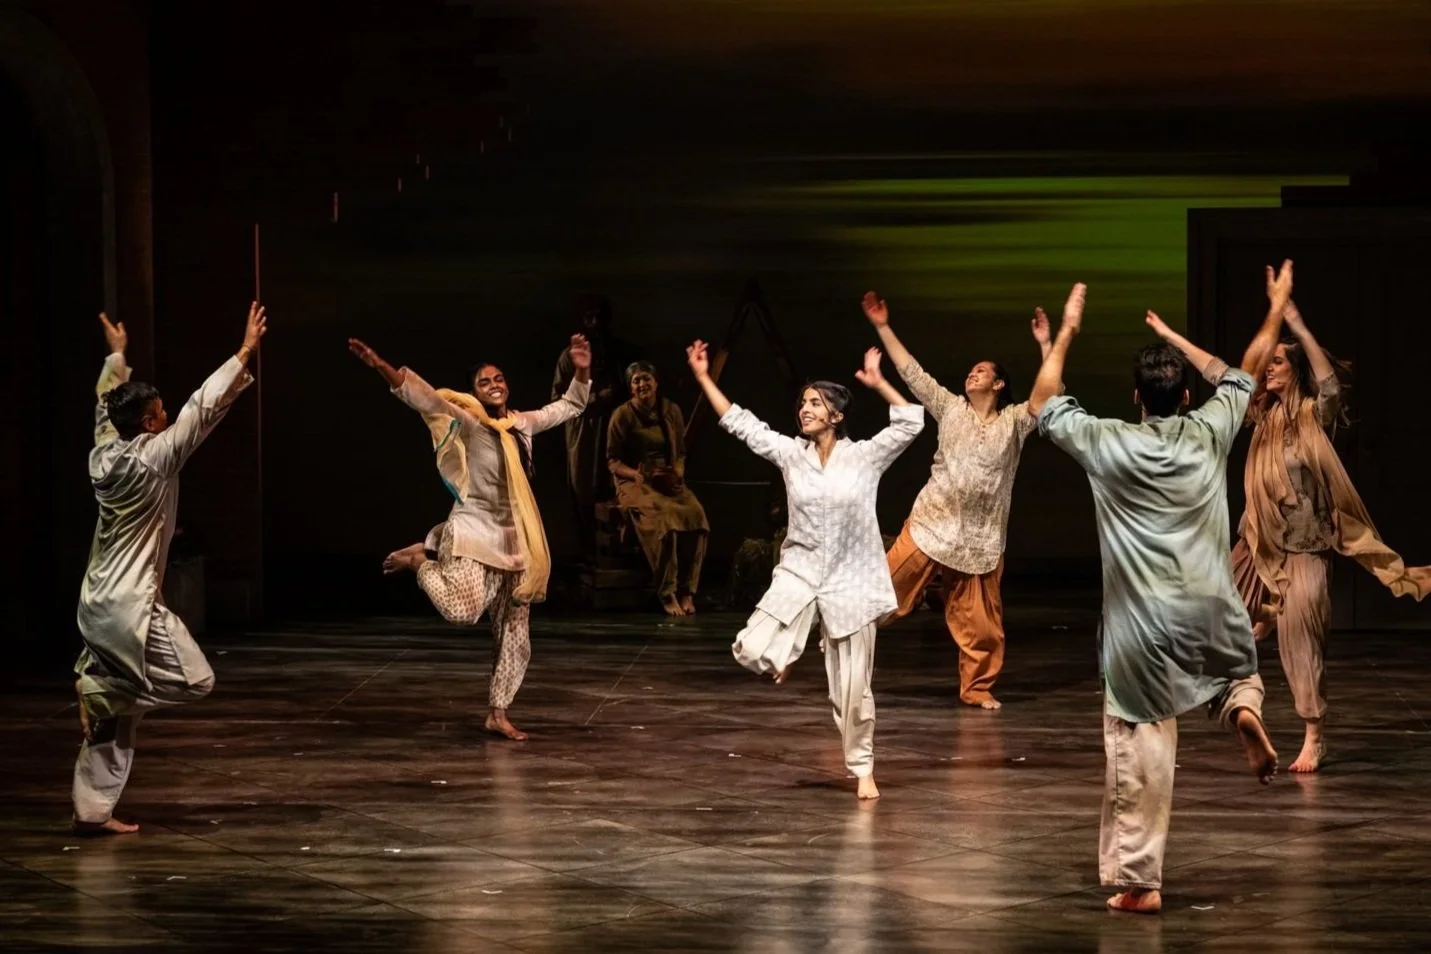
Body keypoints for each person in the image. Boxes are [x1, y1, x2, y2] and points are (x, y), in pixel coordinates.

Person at [1029, 274, 1285, 914]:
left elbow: (1042, 403)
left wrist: (1061, 334)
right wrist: (1276, 308)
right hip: (1210, 606)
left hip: (1140, 626)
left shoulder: (1108, 442)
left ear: (1136, 397)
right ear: (1187, 395)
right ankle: (1239, 705)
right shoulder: (1210, 430)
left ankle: (1141, 883)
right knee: (1234, 663)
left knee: (1138, 739)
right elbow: (1247, 369)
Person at [689, 340, 924, 800]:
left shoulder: (865, 457)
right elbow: (741, 424)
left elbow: (910, 421)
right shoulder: (790, 454)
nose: (805, 410)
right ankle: (789, 651)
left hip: (851, 579)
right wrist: (703, 378)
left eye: (815, 403)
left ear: (837, 415)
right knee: (751, 648)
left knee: (852, 692)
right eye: (802, 403)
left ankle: (863, 769)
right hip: (801, 570)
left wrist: (879, 383)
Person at [73, 304, 267, 835]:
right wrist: (245, 351)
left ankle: (92, 812)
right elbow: (203, 409)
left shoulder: (103, 451)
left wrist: (117, 357)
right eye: (162, 411)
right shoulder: (154, 456)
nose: (168, 415)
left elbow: (102, 404)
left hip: (94, 603)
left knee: (119, 721)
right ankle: (95, 690)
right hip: (130, 605)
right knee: (196, 680)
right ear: (152, 422)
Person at [348, 335, 592, 741]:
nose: (494, 384)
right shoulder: (472, 422)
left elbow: (570, 406)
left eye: (499, 378)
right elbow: (426, 400)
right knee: (461, 610)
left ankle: (498, 713)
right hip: (475, 532)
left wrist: (581, 369)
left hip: (516, 543)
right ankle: (422, 558)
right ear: (474, 391)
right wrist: (381, 367)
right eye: (484, 381)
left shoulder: (521, 424)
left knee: (515, 638)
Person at [1232, 276, 1430, 774]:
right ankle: (1265, 612)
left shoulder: (1310, 417)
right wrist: (1269, 315)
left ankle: (1312, 734)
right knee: (1218, 616)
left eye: (1278, 362)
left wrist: (1294, 320)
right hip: (1261, 547)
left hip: (1306, 547)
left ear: (1293, 370)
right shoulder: (1262, 417)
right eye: (1268, 362)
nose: (1268, 369)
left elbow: (1330, 383)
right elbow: (1238, 371)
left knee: (1302, 643)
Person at [865, 291, 1051, 709]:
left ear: (999, 384)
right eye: (970, 371)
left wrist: (1045, 345)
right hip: (932, 523)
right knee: (882, 591)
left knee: (983, 627)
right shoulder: (950, 408)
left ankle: (977, 688)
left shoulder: (1015, 421)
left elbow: (1047, 398)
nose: (972, 375)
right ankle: (842, 635)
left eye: (981, 372)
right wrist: (882, 325)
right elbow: (913, 373)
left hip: (980, 540)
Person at [607, 361, 709, 616]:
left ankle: (688, 590)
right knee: (665, 520)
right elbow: (613, 461)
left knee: (697, 516)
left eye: (646, 378)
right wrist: (635, 474)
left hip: (666, 478)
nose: (642, 384)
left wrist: (677, 474)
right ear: (630, 387)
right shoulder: (622, 415)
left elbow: (681, 454)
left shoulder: (670, 410)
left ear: (656, 382)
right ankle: (667, 591)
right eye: (636, 380)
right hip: (634, 481)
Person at [552, 295, 641, 551]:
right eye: (590, 317)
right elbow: (558, 399)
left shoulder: (618, 352)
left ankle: (615, 552)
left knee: (614, 484)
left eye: (600, 316)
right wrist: (593, 399)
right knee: (583, 486)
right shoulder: (569, 357)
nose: (595, 323)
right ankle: (586, 550)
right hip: (583, 430)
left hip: (614, 427)